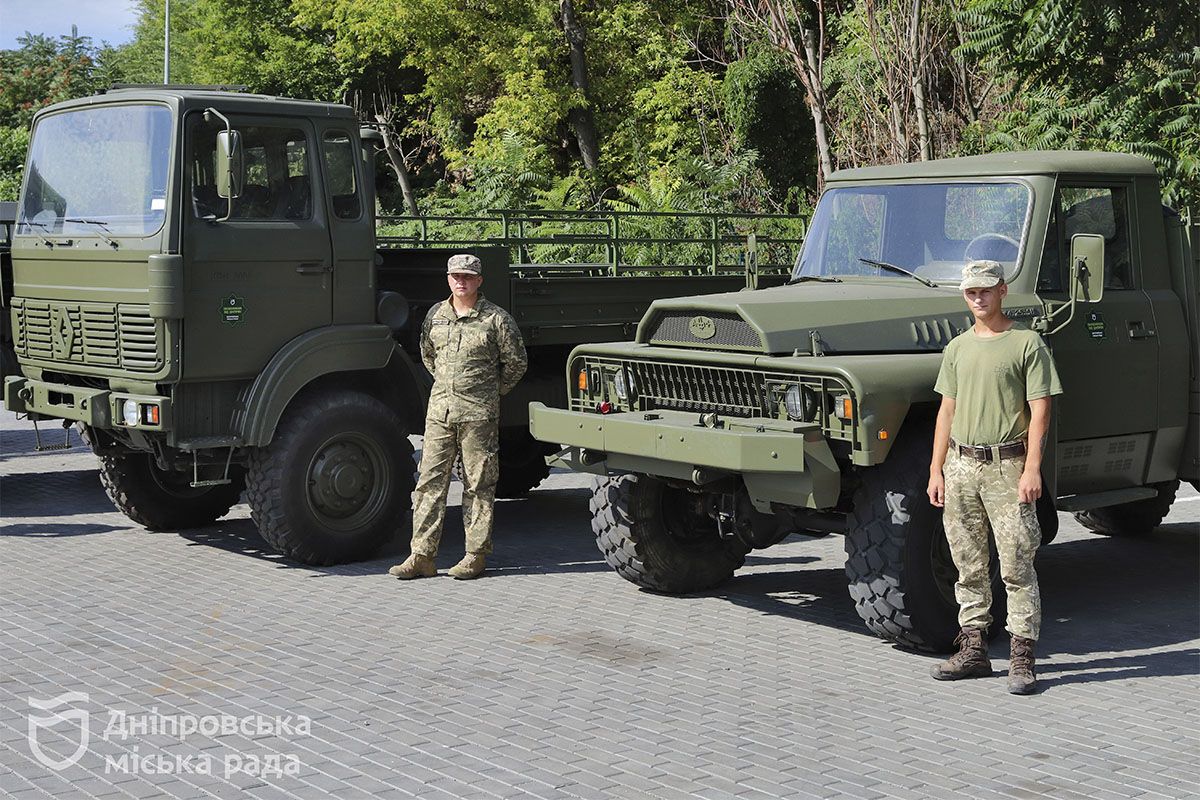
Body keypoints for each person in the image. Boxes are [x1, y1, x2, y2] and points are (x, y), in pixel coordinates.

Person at [926, 259, 1062, 695]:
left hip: (1008, 466)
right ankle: (973, 650)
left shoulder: (1027, 343)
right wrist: (936, 469)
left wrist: (1033, 469)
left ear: (1003, 290)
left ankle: (1022, 658)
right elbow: (946, 410)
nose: (978, 298)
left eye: (985, 290)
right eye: (970, 292)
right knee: (967, 564)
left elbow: (1041, 408)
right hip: (961, 465)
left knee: (1017, 564)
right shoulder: (958, 348)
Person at [389, 253, 527, 581]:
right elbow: (428, 355)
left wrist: (490, 393)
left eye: (467, 276)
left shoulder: (496, 319)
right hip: (440, 413)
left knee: (478, 483)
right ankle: (422, 555)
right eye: (455, 276)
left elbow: (516, 363)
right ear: (448, 279)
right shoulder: (436, 315)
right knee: (428, 483)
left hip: (478, 415)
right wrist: (449, 389)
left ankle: (475, 555)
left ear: (479, 280)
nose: (460, 281)